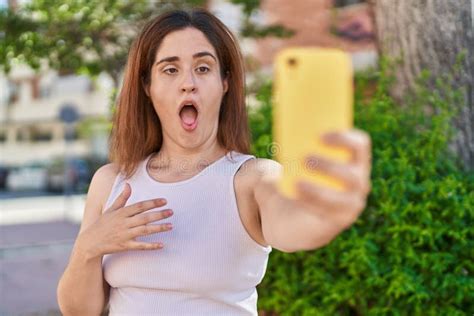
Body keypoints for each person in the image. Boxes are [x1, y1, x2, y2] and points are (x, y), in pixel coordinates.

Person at [57, 8, 371, 316]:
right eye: (170, 69)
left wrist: (326, 215)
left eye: (203, 68)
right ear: (147, 87)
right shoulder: (110, 181)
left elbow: (294, 225)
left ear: (225, 83)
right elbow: (79, 311)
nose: (188, 83)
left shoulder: (252, 178)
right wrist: (89, 248)